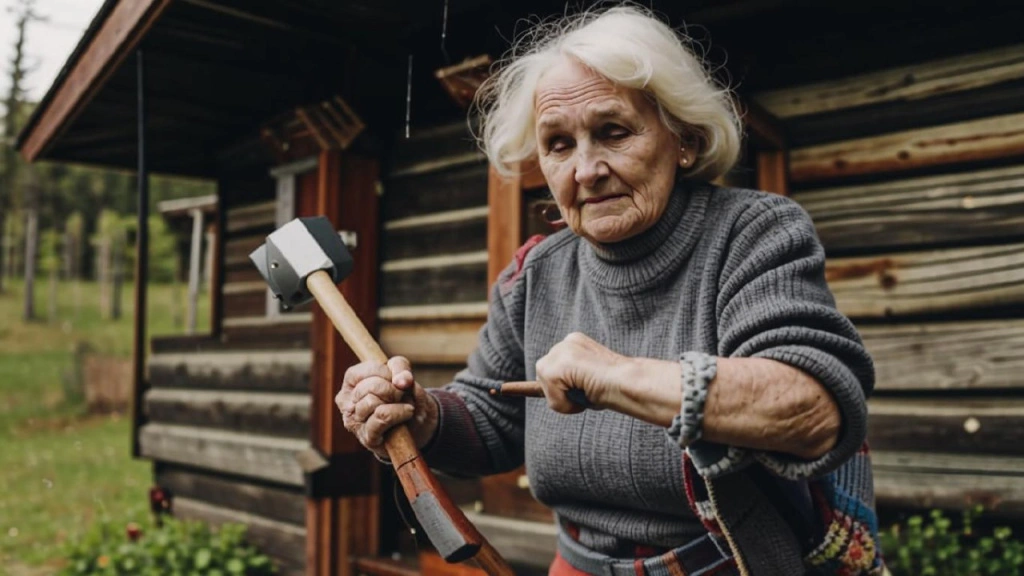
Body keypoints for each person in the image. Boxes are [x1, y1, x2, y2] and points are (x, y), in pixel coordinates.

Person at [338, 5, 883, 575]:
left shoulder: (752, 234)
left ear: (684, 139)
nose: (586, 169)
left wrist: (616, 376)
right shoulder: (535, 274)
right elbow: (491, 415)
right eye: (558, 145)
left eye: (613, 132)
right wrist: (420, 414)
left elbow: (813, 408)